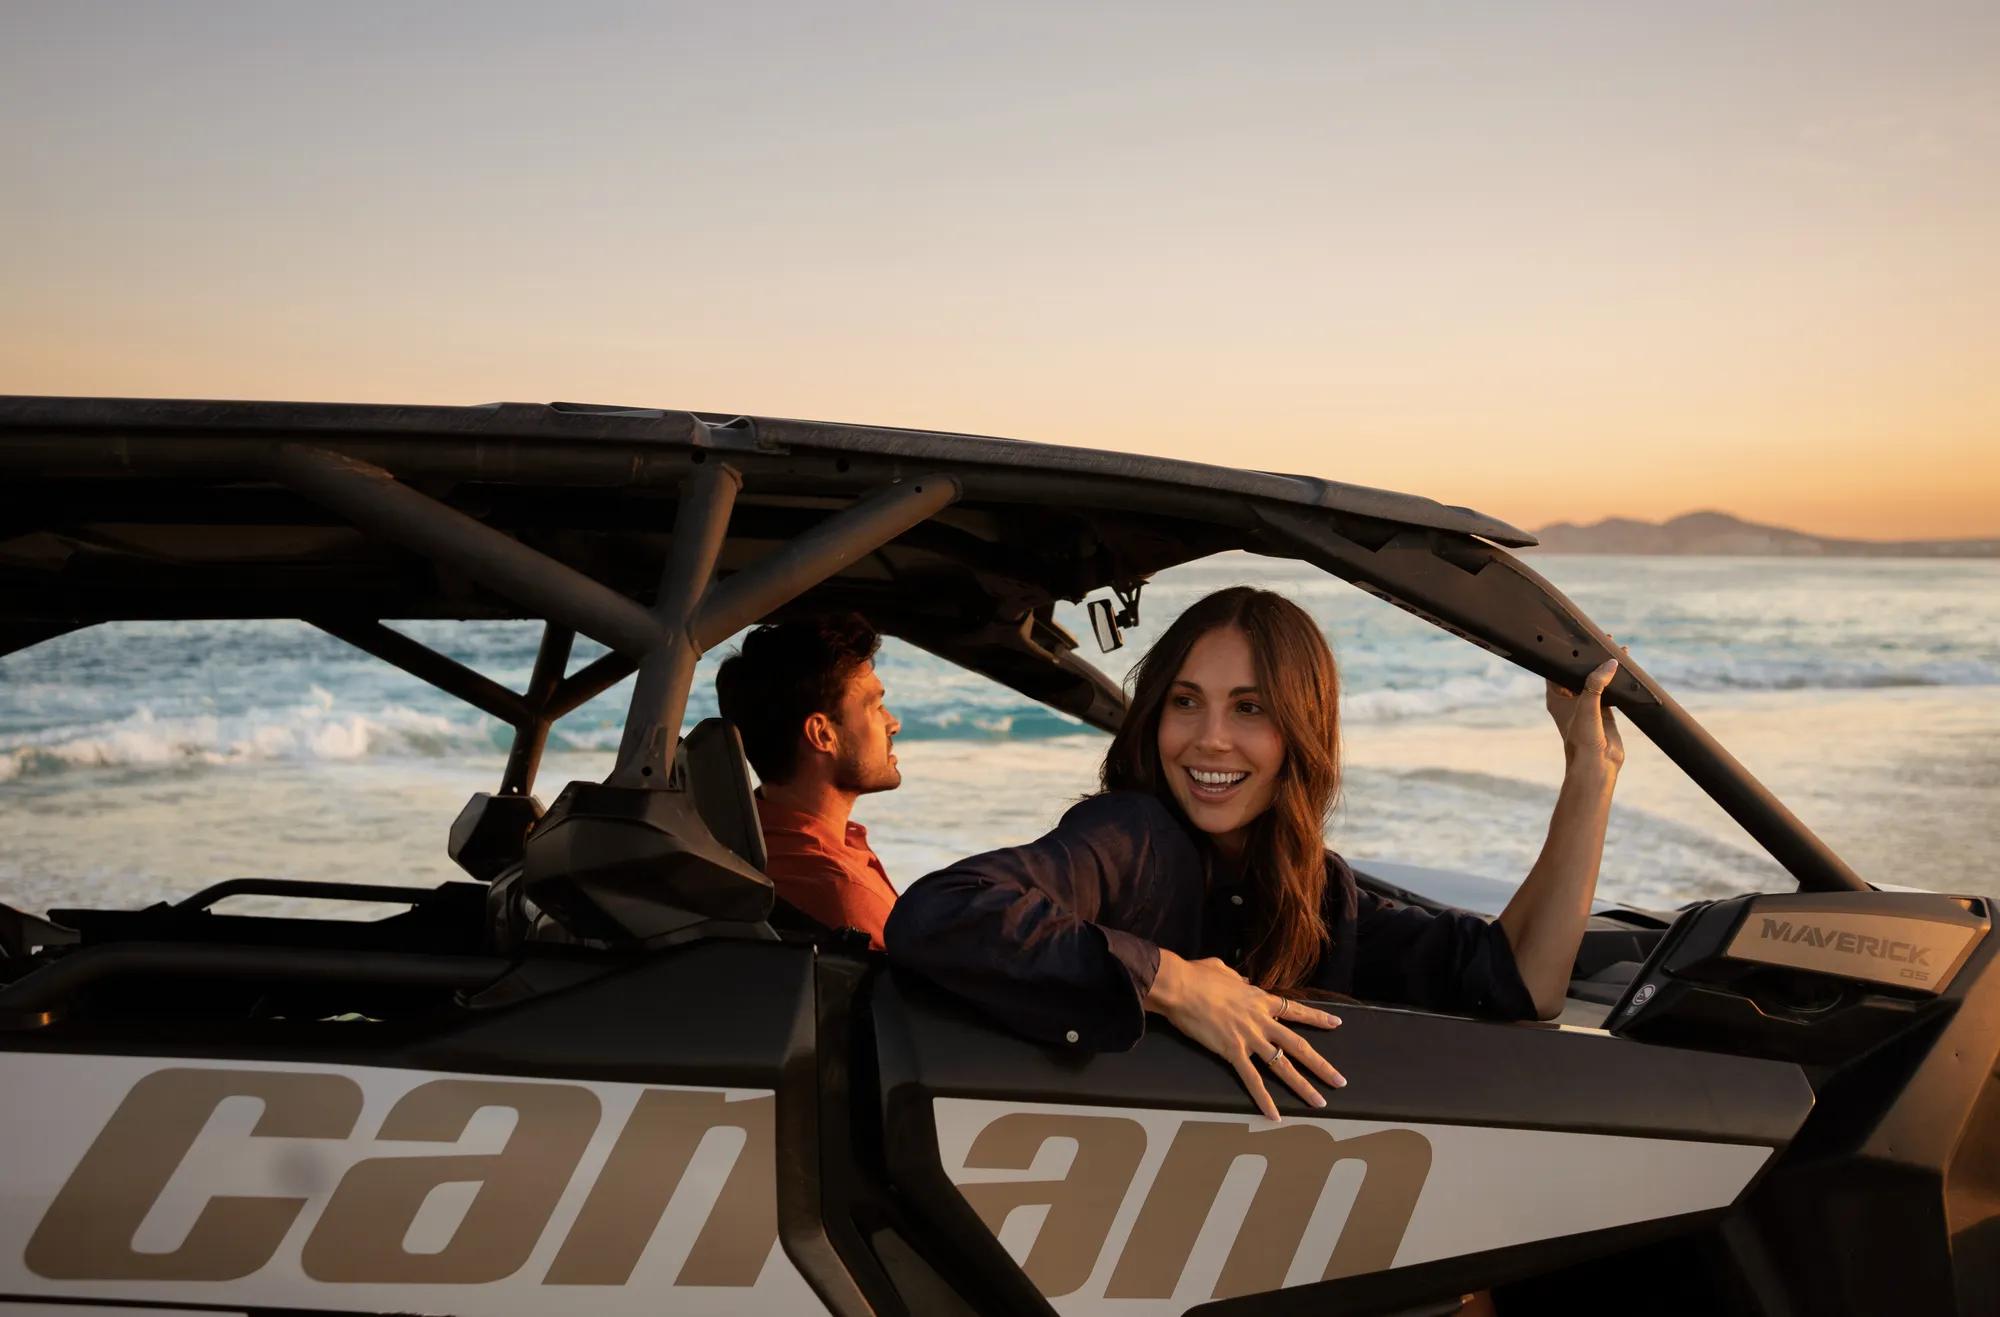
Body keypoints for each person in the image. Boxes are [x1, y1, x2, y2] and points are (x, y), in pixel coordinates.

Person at [885, 586, 1624, 1121]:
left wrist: (1590, 774)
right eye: (1185, 701)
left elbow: (1522, 983)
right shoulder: (1132, 834)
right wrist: (1171, 982)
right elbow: (940, 912)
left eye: (1250, 707)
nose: (1210, 737)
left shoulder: (1315, 890)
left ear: (1301, 730)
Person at [715, 613, 903, 948]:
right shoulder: (838, 889)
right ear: (822, 734)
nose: (893, 723)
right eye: (876, 707)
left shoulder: (746, 844)